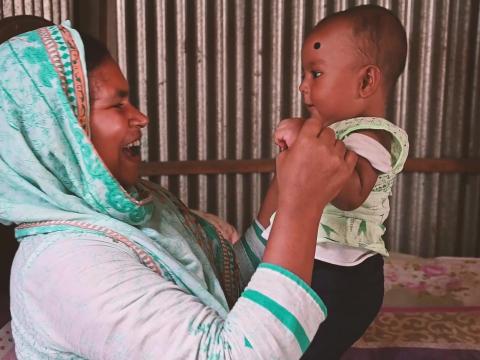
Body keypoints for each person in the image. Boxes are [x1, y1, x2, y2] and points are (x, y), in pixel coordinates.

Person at [0, 20, 357, 359]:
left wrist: (287, 182)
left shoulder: (137, 208)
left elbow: (228, 285)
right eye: (117, 104)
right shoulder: (64, 264)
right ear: (58, 134)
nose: (141, 117)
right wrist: (301, 208)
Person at [257, 5, 409, 359]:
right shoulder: (333, 132)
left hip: (342, 280)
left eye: (316, 73)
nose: (302, 86)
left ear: (366, 81)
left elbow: (352, 193)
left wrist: (303, 140)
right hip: (319, 270)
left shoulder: (370, 135)